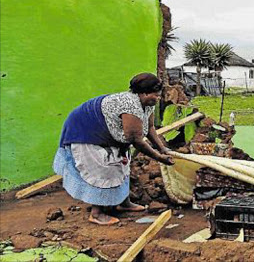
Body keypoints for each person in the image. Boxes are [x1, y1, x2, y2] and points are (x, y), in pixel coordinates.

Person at [53, 73, 174, 225]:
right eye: (155, 95)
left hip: (108, 133)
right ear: (143, 93)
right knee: (104, 169)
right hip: (87, 131)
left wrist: (163, 149)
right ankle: (97, 213)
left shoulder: (147, 104)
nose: (158, 98)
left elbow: (149, 128)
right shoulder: (130, 105)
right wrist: (159, 157)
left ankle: (124, 203)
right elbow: (135, 140)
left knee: (122, 165)